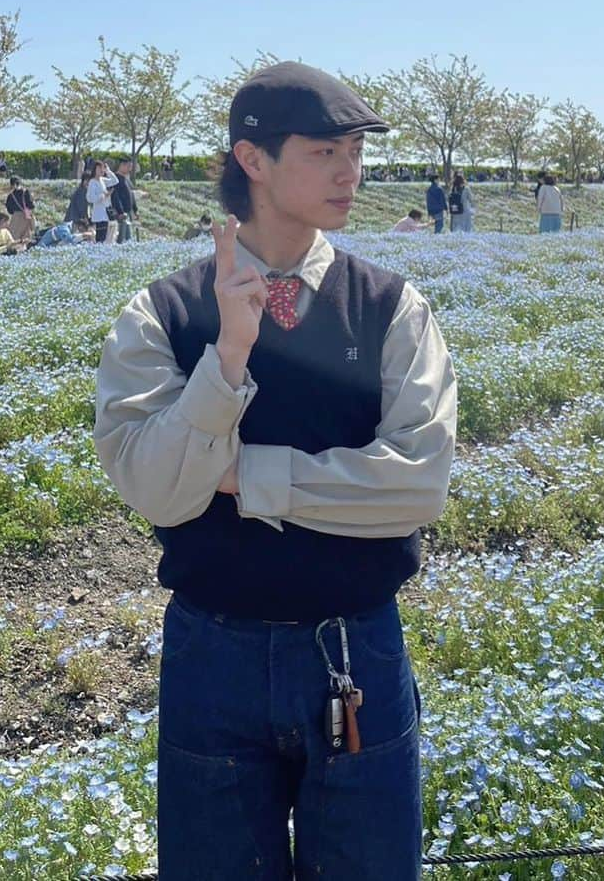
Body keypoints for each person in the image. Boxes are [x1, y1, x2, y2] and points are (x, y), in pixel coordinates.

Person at [94, 60, 456, 881]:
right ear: (251, 160)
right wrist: (227, 356)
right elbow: (153, 489)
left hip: (355, 646)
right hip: (211, 650)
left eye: (355, 151)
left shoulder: (392, 306)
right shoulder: (163, 312)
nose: (350, 171)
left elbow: (418, 484)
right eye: (325, 150)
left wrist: (247, 475)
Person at [86, 160, 119, 243]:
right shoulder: (92, 182)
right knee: (100, 236)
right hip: (98, 213)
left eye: (102, 168)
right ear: (94, 170)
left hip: (105, 212)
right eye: (99, 168)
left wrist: (108, 170)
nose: (101, 170)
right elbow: (91, 198)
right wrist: (104, 195)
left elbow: (115, 181)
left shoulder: (102, 180)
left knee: (104, 236)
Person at [110, 155, 139, 242]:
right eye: (128, 166)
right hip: (121, 214)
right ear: (122, 165)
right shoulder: (115, 179)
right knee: (121, 238)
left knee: (128, 238)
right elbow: (115, 197)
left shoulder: (127, 179)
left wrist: (135, 209)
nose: (130, 169)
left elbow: (131, 195)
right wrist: (120, 212)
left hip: (128, 213)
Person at [5, 176, 36, 243]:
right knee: (27, 237)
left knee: (14, 237)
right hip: (26, 216)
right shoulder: (26, 192)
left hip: (15, 217)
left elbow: (9, 209)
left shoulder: (10, 196)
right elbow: (31, 205)